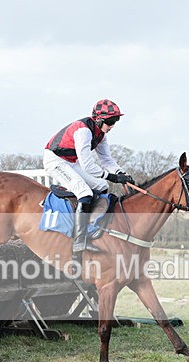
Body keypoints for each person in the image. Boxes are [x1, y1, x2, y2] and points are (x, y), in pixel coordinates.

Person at [43, 98, 135, 265]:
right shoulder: (84, 131)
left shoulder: (101, 134)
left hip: (71, 161)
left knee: (102, 186)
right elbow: (88, 166)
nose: (113, 125)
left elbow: (106, 159)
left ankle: (94, 227)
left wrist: (122, 173)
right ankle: (79, 242)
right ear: (99, 119)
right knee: (85, 193)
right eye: (110, 121)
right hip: (55, 160)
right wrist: (113, 177)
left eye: (116, 120)